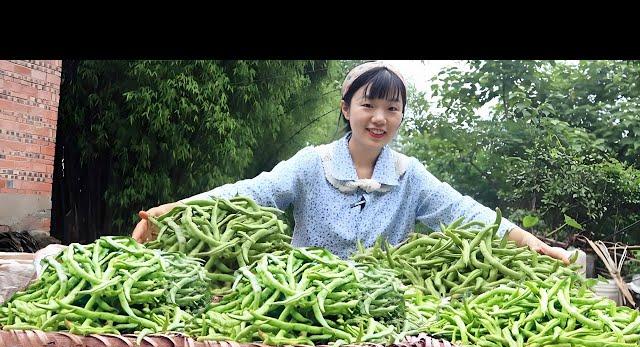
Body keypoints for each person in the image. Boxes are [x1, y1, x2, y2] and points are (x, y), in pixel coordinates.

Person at [132, 61, 569, 264]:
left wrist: (535, 244)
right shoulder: (311, 165)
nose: (380, 118)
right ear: (346, 108)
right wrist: (171, 212)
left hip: (385, 316)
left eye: (392, 109)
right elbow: (248, 193)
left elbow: (467, 212)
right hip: (303, 302)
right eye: (369, 105)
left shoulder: (408, 175)